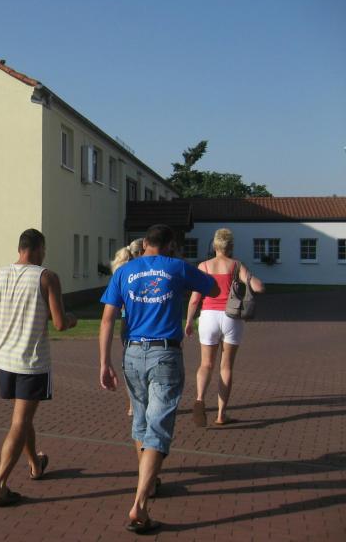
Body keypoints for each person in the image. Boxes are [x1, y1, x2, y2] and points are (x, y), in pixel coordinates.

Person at [98, 224, 218, 534]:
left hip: (132, 353)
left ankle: (148, 484)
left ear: (144, 244)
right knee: (158, 428)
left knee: (141, 421)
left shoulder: (125, 271)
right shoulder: (177, 267)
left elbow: (108, 319)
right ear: (169, 245)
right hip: (164, 354)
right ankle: (139, 505)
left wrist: (104, 363)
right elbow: (214, 289)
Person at [0, 228, 77, 507]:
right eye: (44, 249)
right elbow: (59, 323)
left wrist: (7, 321)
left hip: (5, 360)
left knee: (23, 417)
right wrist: (72, 319)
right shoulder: (47, 277)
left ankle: (35, 464)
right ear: (38, 248)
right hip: (31, 362)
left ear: (20, 248)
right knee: (20, 422)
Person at [185, 228, 265, 427]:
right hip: (231, 317)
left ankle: (200, 399)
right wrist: (249, 279)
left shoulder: (204, 266)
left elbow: (194, 299)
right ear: (231, 246)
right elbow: (259, 287)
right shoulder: (236, 265)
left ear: (214, 245)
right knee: (226, 366)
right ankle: (221, 414)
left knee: (206, 364)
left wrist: (188, 321)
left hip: (208, 316)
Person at [111, 238, 143, 417]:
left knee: (130, 362)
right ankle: (138, 403)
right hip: (139, 321)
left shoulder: (122, 271)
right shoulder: (141, 271)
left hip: (126, 321)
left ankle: (133, 404)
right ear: (140, 253)